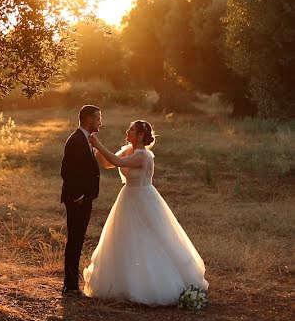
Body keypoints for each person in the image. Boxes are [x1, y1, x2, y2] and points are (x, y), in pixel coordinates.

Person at [84, 120, 209, 305]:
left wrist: (99, 144)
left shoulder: (143, 156)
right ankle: (125, 282)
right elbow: (108, 164)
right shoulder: (129, 149)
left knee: (148, 238)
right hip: (127, 198)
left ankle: (152, 283)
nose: (128, 131)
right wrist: (94, 148)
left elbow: (117, 161)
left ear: (141, 135)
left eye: (132, 130)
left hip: (144, 199)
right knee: (125, 239)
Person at [59, 104, 102, 295]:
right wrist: (78, 196)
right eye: (98, 118)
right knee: (75, 241)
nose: (101, 122)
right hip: (78, 200)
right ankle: (70, 285)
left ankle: (72, 284)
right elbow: (67, 171)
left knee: (78, 240)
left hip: (84, 198)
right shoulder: (76, 140)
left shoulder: (85, 139)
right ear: (88, 119)